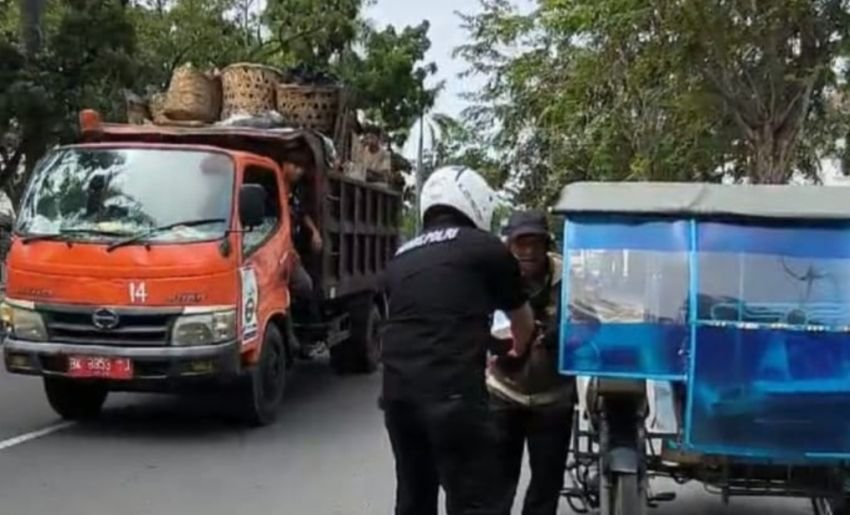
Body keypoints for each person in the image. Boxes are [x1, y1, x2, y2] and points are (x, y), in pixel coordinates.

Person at [380, 166, 537, 515]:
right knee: (475, 499)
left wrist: (485, 342)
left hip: (398, 398)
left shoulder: (400, 258)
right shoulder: (486, 248)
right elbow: (522, 323)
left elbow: (429, 318)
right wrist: (514, 353)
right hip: (453, 397)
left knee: (414, 496)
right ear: (475, 203)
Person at [486, 210, 575, 515]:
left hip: (555, 398)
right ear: (508, 245)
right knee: (496, 484)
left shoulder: (569, 278)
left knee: (546, 487)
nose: (528, 251)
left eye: (535, 243)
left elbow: (593, 319)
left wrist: (562, 333)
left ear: (546, 245)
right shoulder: (493, 276)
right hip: (502, 392)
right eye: (520, 243)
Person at [285, 163, 322, 353]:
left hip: (291, 248)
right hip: (278, 251)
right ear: (284, 166)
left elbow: (302, 214)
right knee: (304, 285)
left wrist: (314, 232)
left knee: (307, 285)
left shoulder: (293, 193)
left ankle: (306, 333)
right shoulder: (273, 190)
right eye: (295, 166)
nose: (299, 170)